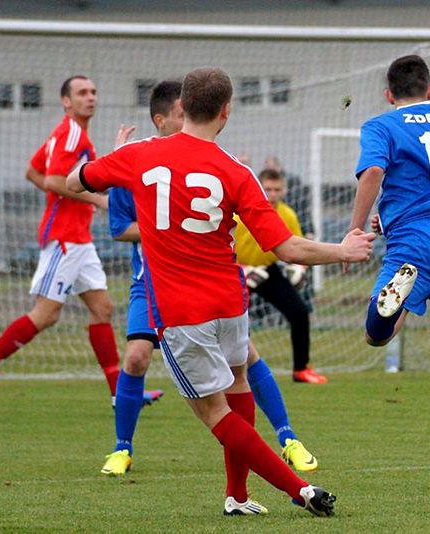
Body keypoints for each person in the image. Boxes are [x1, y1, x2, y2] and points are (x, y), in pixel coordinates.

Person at [68, 67, 375, 517]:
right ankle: (237, 495)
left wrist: (112, 164)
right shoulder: (237, 172)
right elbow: (287, 247)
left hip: (181, 311)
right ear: (226, 112)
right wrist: (343, 248)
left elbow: (77, 181)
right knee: (239, 383)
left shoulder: (138, 155)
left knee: (214, 411)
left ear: (182, 107)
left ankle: (299, 489)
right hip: (231, 302)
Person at [100, 80, 319, 477]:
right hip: (150, 281)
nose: (191, 122)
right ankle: (122, 448)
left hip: (206, 281)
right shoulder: (134, 160)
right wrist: (162, 224)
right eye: (182, 116)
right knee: (135, 359)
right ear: (161, 119)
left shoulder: (216, 162)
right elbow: (118, 226)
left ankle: (288, 438)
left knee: (246, 358)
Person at [348, 55, 430, 491]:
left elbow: (373, 171)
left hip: (416, 241)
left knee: (376, 335)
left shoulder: (382, 125)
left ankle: (391, 304)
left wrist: (356, 227)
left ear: (389, 94)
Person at [0, 76, 120, 414]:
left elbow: (33, 172)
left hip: (79, 238)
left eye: (93, 92)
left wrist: (73, 200)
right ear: (66, 101)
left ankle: (120, 393)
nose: (90, 98)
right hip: (64, 238)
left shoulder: (66, 132)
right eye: (82, 93)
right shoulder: (72, 133)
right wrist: (96, 199)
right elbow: (50, 179)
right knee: (46, 314)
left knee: (102, 308)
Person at [234, 168, 325, 384]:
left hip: (268, 271)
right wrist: (243, 269)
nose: (272, 194)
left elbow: (297, 246)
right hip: (236, 271)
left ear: (284, 190)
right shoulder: (240, 213)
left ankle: (301, 369)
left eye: (277, 189)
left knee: (299, 312)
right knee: (230, 322)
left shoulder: (288, 215)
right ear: (260, 189)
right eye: (268, 189)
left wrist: (299, 270)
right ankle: (226, 373)